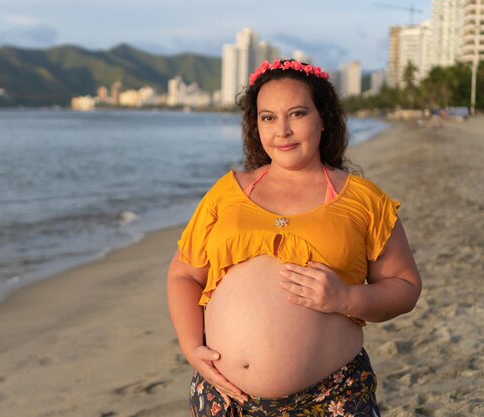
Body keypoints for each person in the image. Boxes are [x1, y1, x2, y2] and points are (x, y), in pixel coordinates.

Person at [167, 59, 422, 417]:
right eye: (268, 117)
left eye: (297, 114)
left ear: (323, 120)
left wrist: (346, 296)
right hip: (225, 399)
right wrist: (191, 346)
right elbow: (184, 274)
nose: (281, 130)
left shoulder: (364, 200)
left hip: (332, 398)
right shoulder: (225, 193)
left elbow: (406, 287)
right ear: (255, 125)